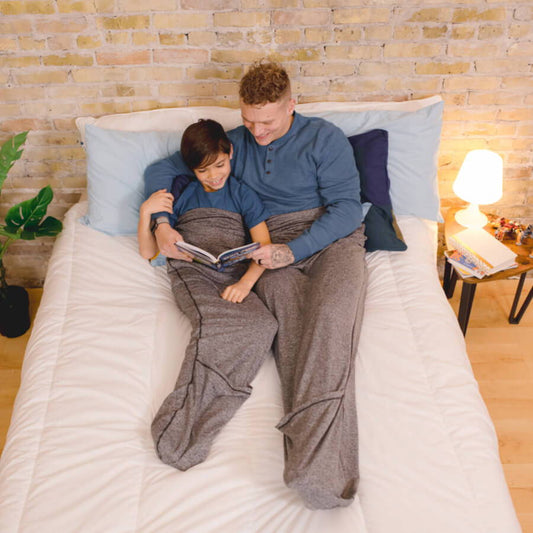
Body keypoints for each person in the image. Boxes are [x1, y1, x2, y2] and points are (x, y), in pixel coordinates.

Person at [145, 60, 367, 510]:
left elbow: (346, 209)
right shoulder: (233, 142)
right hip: (269, 245)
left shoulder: (325, 139)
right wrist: (162, 221)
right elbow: (159, 172)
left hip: (332, 239)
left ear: (291, 105)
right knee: (291, 334)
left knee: (329, 324)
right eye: (248, 119)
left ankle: (321, 476)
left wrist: (295, 249)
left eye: (266, 121)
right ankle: (311, 463)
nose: (257, 131)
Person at [141, 119, 278, 471]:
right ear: (191, 170)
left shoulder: (244, 194)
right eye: (204, 170)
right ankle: (175, 423)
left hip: (231, 270)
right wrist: (148, 214)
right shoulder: (181, 194)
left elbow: (264, 247)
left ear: (230, 153)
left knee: (263, 325)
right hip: (192, 269)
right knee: (213, 326)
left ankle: (220, 400)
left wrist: (246, 282)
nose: (215, 176)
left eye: (220, 165)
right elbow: (147, 252)